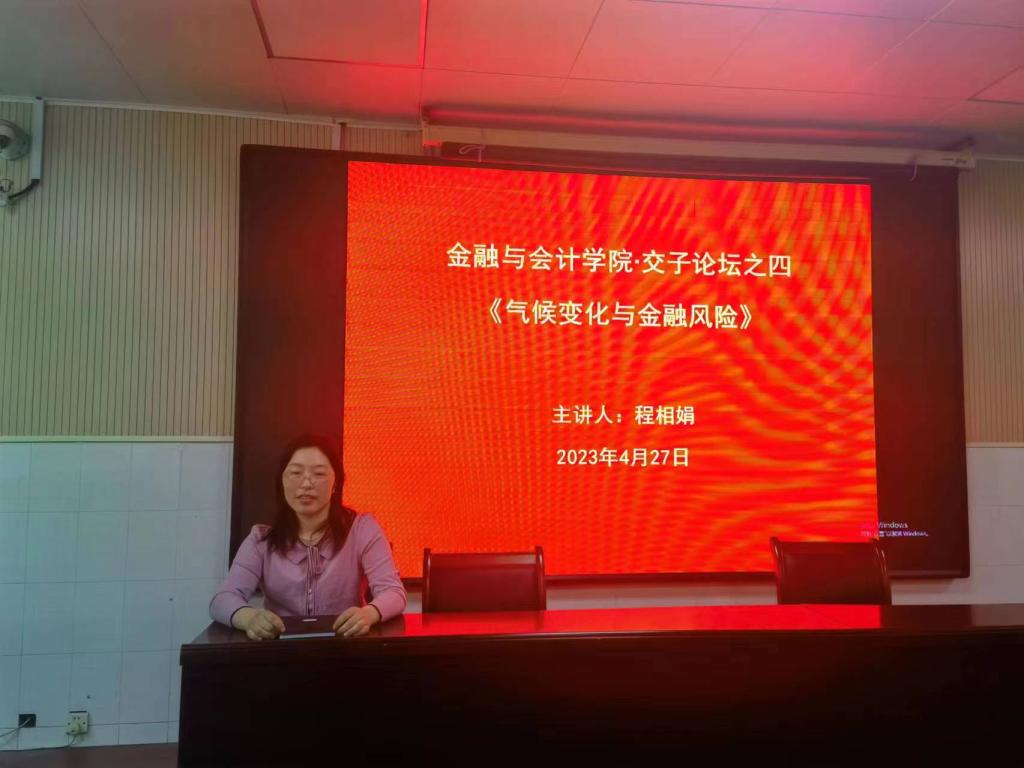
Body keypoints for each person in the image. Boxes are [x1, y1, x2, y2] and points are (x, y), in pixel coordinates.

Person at [209, 434, 406, 639]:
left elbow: (393, 592)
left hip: (347, 646)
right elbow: (222, 600)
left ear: (335, 483)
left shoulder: (362, 529)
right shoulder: (261, 540)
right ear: (282, 481)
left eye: (318, 473)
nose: (306, 483)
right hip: (282, 650)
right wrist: (250, 618)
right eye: (295, 473)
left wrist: (368, 614)